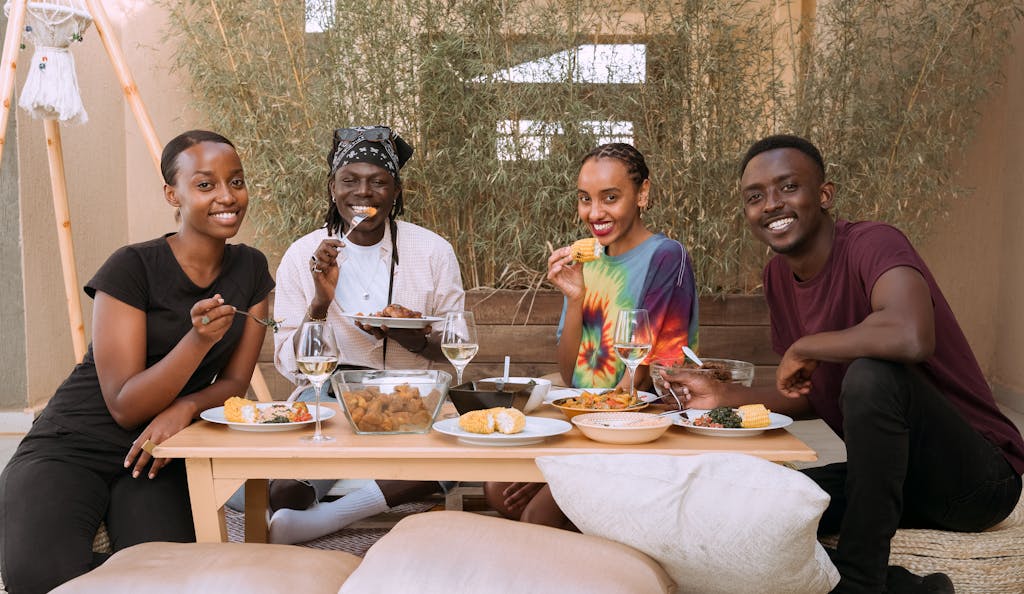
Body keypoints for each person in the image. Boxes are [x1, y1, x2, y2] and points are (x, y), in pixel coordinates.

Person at [663, 134, 1024, 594]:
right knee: (769, 508)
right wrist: (726, 400)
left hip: (977, 481)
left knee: (872, 374)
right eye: (755, 197)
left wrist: (807, 345)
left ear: (825, 195)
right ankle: (912, 589)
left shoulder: (873, 244)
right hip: (892, 474)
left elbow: (911, 334)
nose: (771, 204)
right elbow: (816, 390)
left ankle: (860, 581)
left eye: (788, 187)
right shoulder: (777, 277)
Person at [0, 130, 274, 594]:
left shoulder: (251, 269)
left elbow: (234, 384)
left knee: (167, 576)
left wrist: (184, 409)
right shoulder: (132, 267)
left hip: (158, 453)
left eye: (237, 181)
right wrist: (196, 340)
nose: (227, 196)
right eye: (205, 184)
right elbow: (124, 405)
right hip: (72, 443)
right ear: (173, 193)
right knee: (37, 578)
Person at [265, 125, 464, 544]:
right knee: (286, 490)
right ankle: (319, 504)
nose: (363, 193)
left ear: (396, 191)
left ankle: (329, 519)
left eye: (378, 182)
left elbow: (456, 348)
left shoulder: (432, 251)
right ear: (332, 186)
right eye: (349, 181)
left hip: (415, 396)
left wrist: (416, 340)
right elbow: (288, 362)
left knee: (456, 459)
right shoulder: (304, 254)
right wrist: (319, 303)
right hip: (328, 395)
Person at [485, 142, 699, 528]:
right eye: (585, 199)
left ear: (643, 194)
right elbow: (571, 375)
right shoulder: (588, 260)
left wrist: (564, 458)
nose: (595, 213)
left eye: (611, 198)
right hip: (585, 419)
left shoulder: (667, 257)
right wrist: (577, 296)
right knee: (496, 490)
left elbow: (643, 373)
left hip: (636, 426)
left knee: (536, 515)